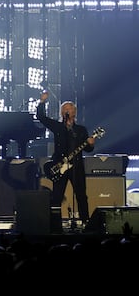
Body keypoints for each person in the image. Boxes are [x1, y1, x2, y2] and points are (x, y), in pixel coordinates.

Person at [36, 90, 97, 224]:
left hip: (77, 167)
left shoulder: (81, 130)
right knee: (57, 196)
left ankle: (85, 222)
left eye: (69, 109)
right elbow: (41, 117)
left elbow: (87, 149)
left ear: (74, 112)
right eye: (64, 109)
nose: (66, 111)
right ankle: (54, 223)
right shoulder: (58, 127)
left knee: (81, 195)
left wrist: (91, 144)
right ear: (61, 113)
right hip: (60, 166)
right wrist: (42, 102)